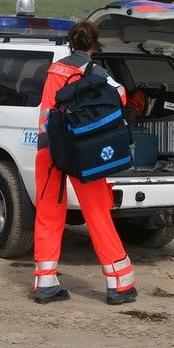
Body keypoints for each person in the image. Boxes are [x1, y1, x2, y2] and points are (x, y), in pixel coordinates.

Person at [32, 21, 137, 306]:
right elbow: (121, 96)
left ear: (70, 43)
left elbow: (47, 111)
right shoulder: (95, 72)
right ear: (94, 44)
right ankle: (119, 284)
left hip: (49, 150)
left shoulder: (54, 69)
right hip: (83, 153)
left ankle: (45, 283)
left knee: (48, 213)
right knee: (97, 213)